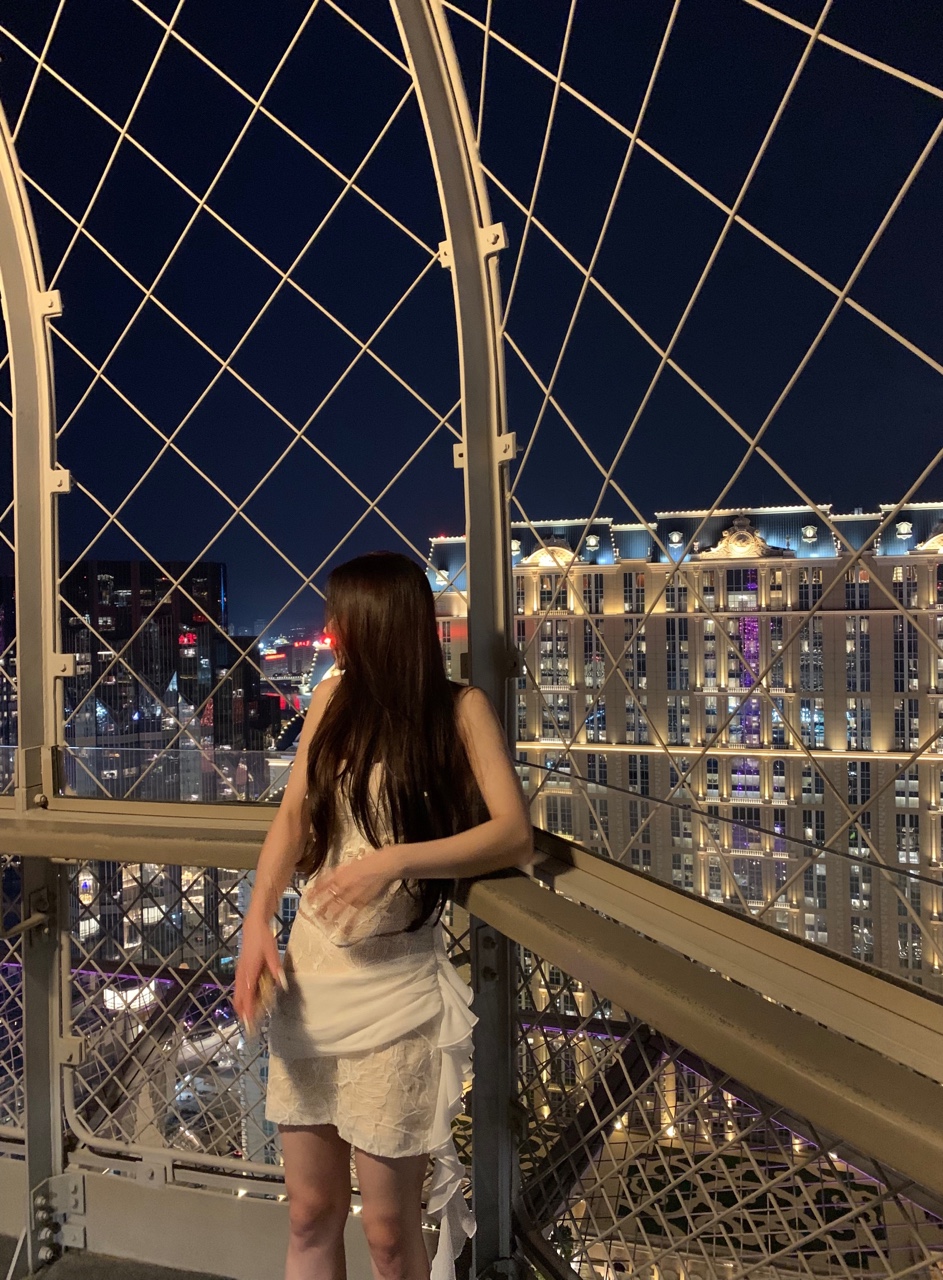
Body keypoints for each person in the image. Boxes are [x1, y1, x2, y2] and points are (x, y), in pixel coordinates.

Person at [234, 551, 533, 1280]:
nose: (330, 630)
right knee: (310, 1213)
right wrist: (256, 923)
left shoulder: (459, 709)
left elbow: (512, 834)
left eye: (340, 617)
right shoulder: (331, 698)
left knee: (391, 1233)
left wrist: (394, 860)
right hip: (312, 981)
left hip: (396, 990)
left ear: (378, 623)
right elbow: (292, 817)